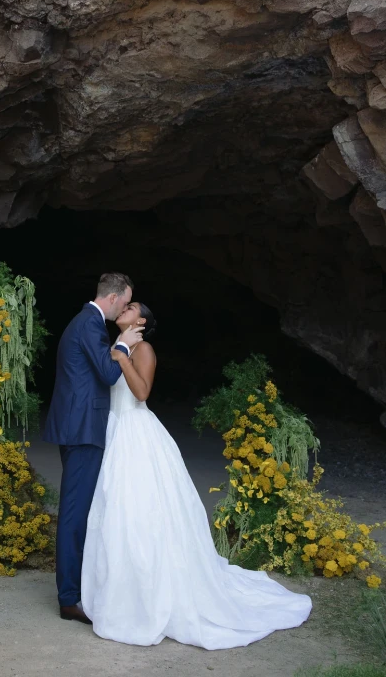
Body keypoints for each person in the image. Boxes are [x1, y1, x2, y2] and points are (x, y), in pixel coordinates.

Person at [81, 301, 312, 650]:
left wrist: (123, 357)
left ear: (140, 321)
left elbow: (141, 393)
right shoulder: (118, 345)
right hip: (114, 430)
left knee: (139, 510)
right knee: (115, 511)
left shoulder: (142, 349)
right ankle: (119, 589)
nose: (123, 309)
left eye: (130, 307)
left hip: (136, 432)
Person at [43, 273, 144, 624]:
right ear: (114, 298)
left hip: (77, 426)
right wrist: (125, 344)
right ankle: (69, 599)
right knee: (74, 512)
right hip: (82, 430)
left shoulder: (85, 321)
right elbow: (108, 373)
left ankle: (78, 587)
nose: (126, 306)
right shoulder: (91, 324)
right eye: (126, 300)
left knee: (80, 510)